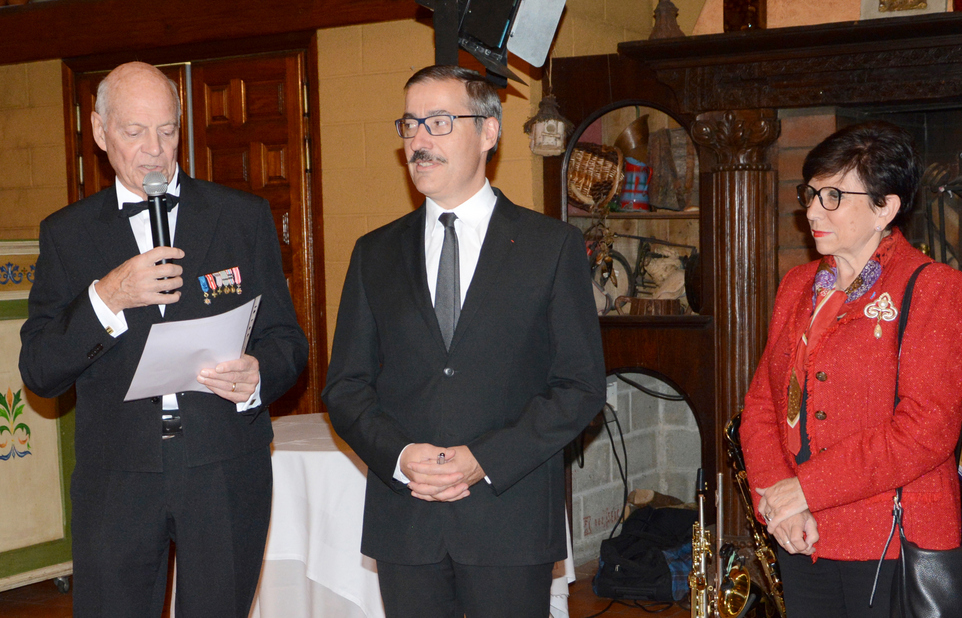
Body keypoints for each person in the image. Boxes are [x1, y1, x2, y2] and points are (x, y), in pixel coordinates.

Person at [19, 62, 308, 617]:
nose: (154, 150)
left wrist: (257, 376)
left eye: (168, 130)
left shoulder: (240, 217)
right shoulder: (67, 233)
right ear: (100, 133)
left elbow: (287, 341)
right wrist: (108, 297)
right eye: (133, 132)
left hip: (224, 467)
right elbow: (40, 370)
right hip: (117, 477)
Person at [322, 65, 606, 618]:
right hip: (407, 523)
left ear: (489, 132)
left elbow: (580, 387)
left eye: (439, 122)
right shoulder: (373, 253)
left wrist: (486, 459)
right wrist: (401, 456)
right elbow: (346, 386)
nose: (419, 141)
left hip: (509, 520)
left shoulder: (551, 248)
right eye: (410, 124)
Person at [740, 121, 962, 617]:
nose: (812, 210)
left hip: (893, 543)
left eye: (833, 196)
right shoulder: (797, 286)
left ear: (884, 207)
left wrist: (805, 487)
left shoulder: (934, 288)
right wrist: (780, 503)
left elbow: (927, 428)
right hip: (803, 534)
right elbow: (762, 403)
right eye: (810, 193)